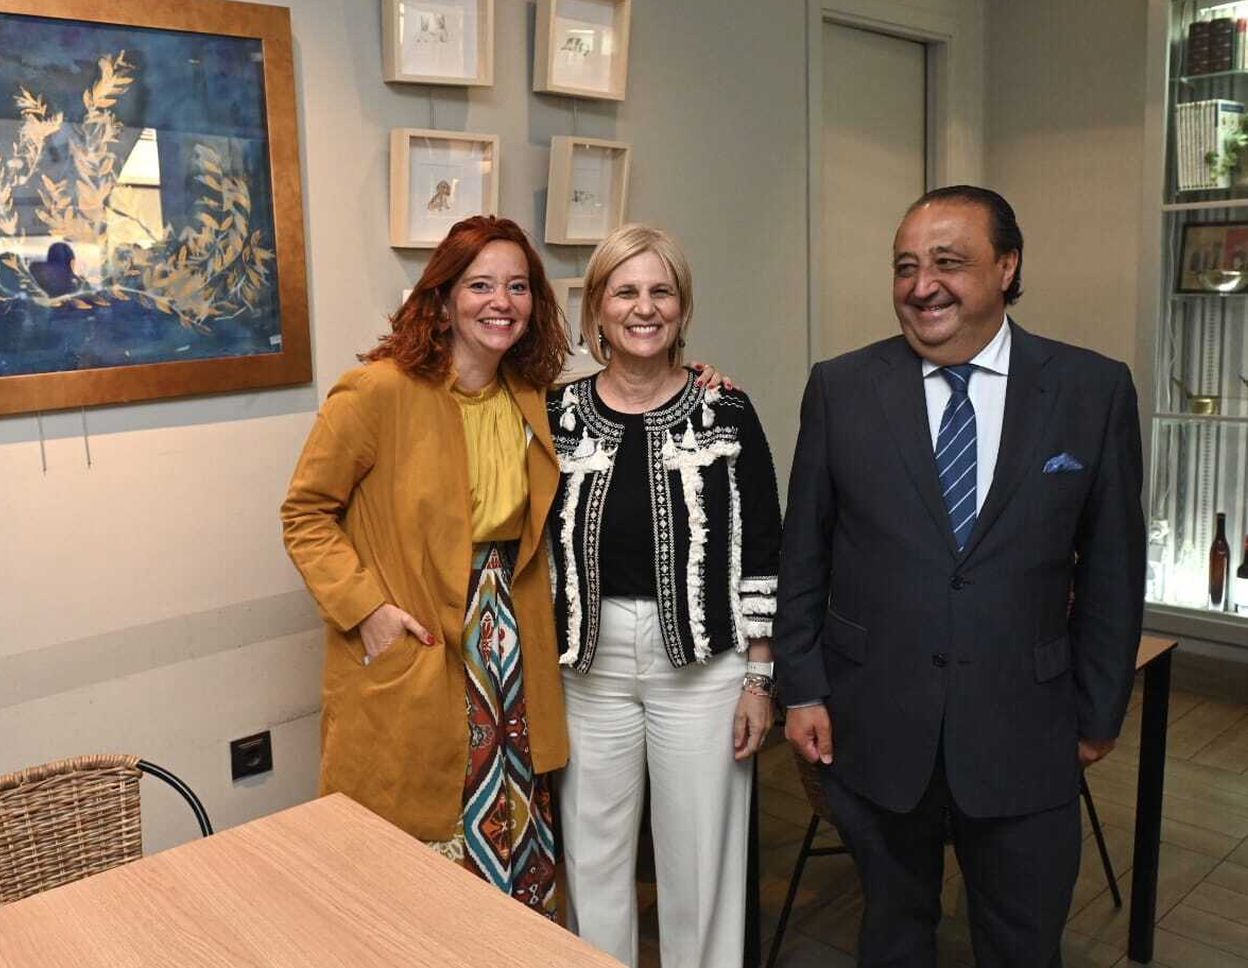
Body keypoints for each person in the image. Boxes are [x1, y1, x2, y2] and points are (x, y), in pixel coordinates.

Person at [775, 186, 1145, 967]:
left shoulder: (1090, 390)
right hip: (876, 727)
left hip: (1028, 731)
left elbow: (1114, 567)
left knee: (1020, 942)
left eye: (949, 262)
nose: (922, 286)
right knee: (894, 934)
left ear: (1007, 267)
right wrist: (802, 686)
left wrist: (1099, 709)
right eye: (906, 267)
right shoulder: (842, 389)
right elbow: (804, 552)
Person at [280, 215, 571, 915]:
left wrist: (700, 376)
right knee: (410, 870)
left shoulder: (531, 395)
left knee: (516, 846)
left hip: (510, 647)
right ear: (441, 299)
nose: (502, 302)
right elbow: (305, 513)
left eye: (518, 287)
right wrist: (367, 610)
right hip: (421, 637)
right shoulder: (377, 392)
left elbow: (632, 395)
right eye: (480, 285)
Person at [547, 223, 782, 967]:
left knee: (702, 865)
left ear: (682, 309)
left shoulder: (728, 410)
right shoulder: (552, 415)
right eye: (626, 290)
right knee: (593, 858)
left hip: (707, 669)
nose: (643, 307)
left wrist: (759, 677)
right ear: (597, 308)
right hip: (589, 669)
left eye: (661, 291)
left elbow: (765, 555)